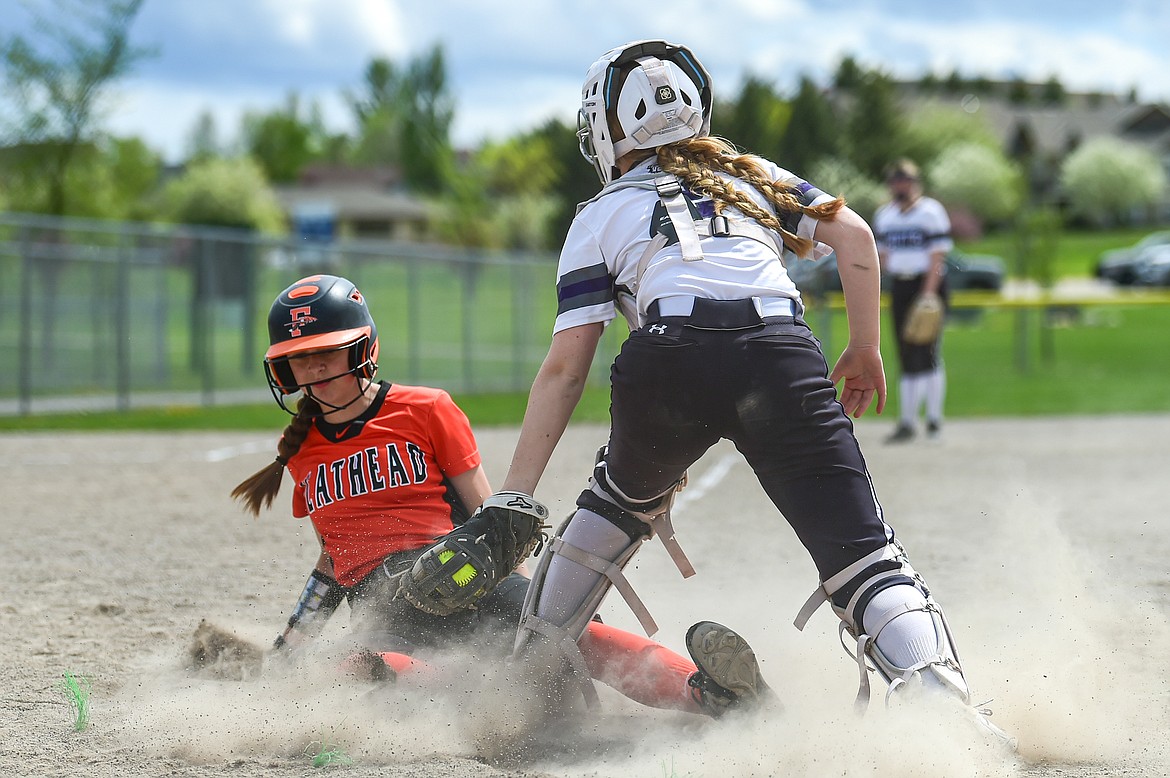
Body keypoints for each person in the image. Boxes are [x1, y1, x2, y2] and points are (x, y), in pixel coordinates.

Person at [405, 40, 1009, 743]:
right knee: (862, 555)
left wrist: (516, 493)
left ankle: (529, 680)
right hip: (781, 352)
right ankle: (940, 696)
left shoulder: (599, 213)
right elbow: (855, 235)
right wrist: (867, 348)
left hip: (669, 360)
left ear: (608, 129)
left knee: (613, 507)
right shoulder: (752, 176)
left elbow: (568, 367)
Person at [229, 272, 771, 720]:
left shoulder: (425, 409)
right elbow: (332, 557)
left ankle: (715, 695)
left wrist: (530, 600)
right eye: (299, 358)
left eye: (327, 352)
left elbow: (494, 518)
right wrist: (292, 643)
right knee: (349, 668)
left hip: (454, 572)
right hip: (383, 607)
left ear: (362, 347)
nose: (314, 368)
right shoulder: (299, 449)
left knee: (564, 636)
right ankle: (494, 696)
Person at [873, 159, 953, 443]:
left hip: (927, 285)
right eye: (895, 180)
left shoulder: (930, 212)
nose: (899, 185)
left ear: (915, 181)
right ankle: (907, 421)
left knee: (929, 352)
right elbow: (882, 257)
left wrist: (929, 293)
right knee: (906, 352)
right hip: (902, 285)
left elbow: (937, 256)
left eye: (904, 179)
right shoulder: (886, 216)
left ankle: (933, 419)